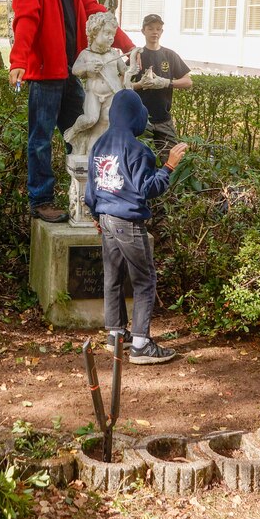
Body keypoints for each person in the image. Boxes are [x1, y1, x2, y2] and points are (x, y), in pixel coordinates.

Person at [8, 0, 134, 223]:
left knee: (84, 133)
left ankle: (95, 195)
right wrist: (18, 62)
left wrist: (127, 46)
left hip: (71, 74)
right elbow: (26, 21)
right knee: (40, 140)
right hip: (45, 76)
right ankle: (41, 201)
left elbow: (98, 13)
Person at [84, 89, 187, 365]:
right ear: (134, 116)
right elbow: (146, 189)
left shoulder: (100, 144)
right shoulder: (139, 149)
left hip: (105, 219)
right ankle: (141, 344)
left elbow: (91, 187)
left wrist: (96, 214)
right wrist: (168, 167)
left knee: (113, 276)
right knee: (144, 280)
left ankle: (116, 334)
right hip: (128, 222)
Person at [64, 11, 132, 155]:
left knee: (107, 120)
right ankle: (75, 130)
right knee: (90, 119)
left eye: (113, 35)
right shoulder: (86, 54)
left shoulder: (113, 54)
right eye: (107, 33)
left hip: (112, 93)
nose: (110, 38)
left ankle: (97, 149)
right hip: (93, 93)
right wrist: (88, 67)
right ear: (94, 32)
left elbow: (124, 70)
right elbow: (75, 70)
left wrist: (133, 68)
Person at [130, 14, 192, 159]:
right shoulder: (137, 56)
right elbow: (121, 86)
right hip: (141, 120)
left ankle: (167, 182)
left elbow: (188, 81)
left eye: (158, 29)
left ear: (162, 32)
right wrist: (139, 85)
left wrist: (166, 82)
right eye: (150, 28)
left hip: (164, 119)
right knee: (140, 161)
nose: (155, 32)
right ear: (143, 31)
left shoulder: (170, 55)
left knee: (172, 161)